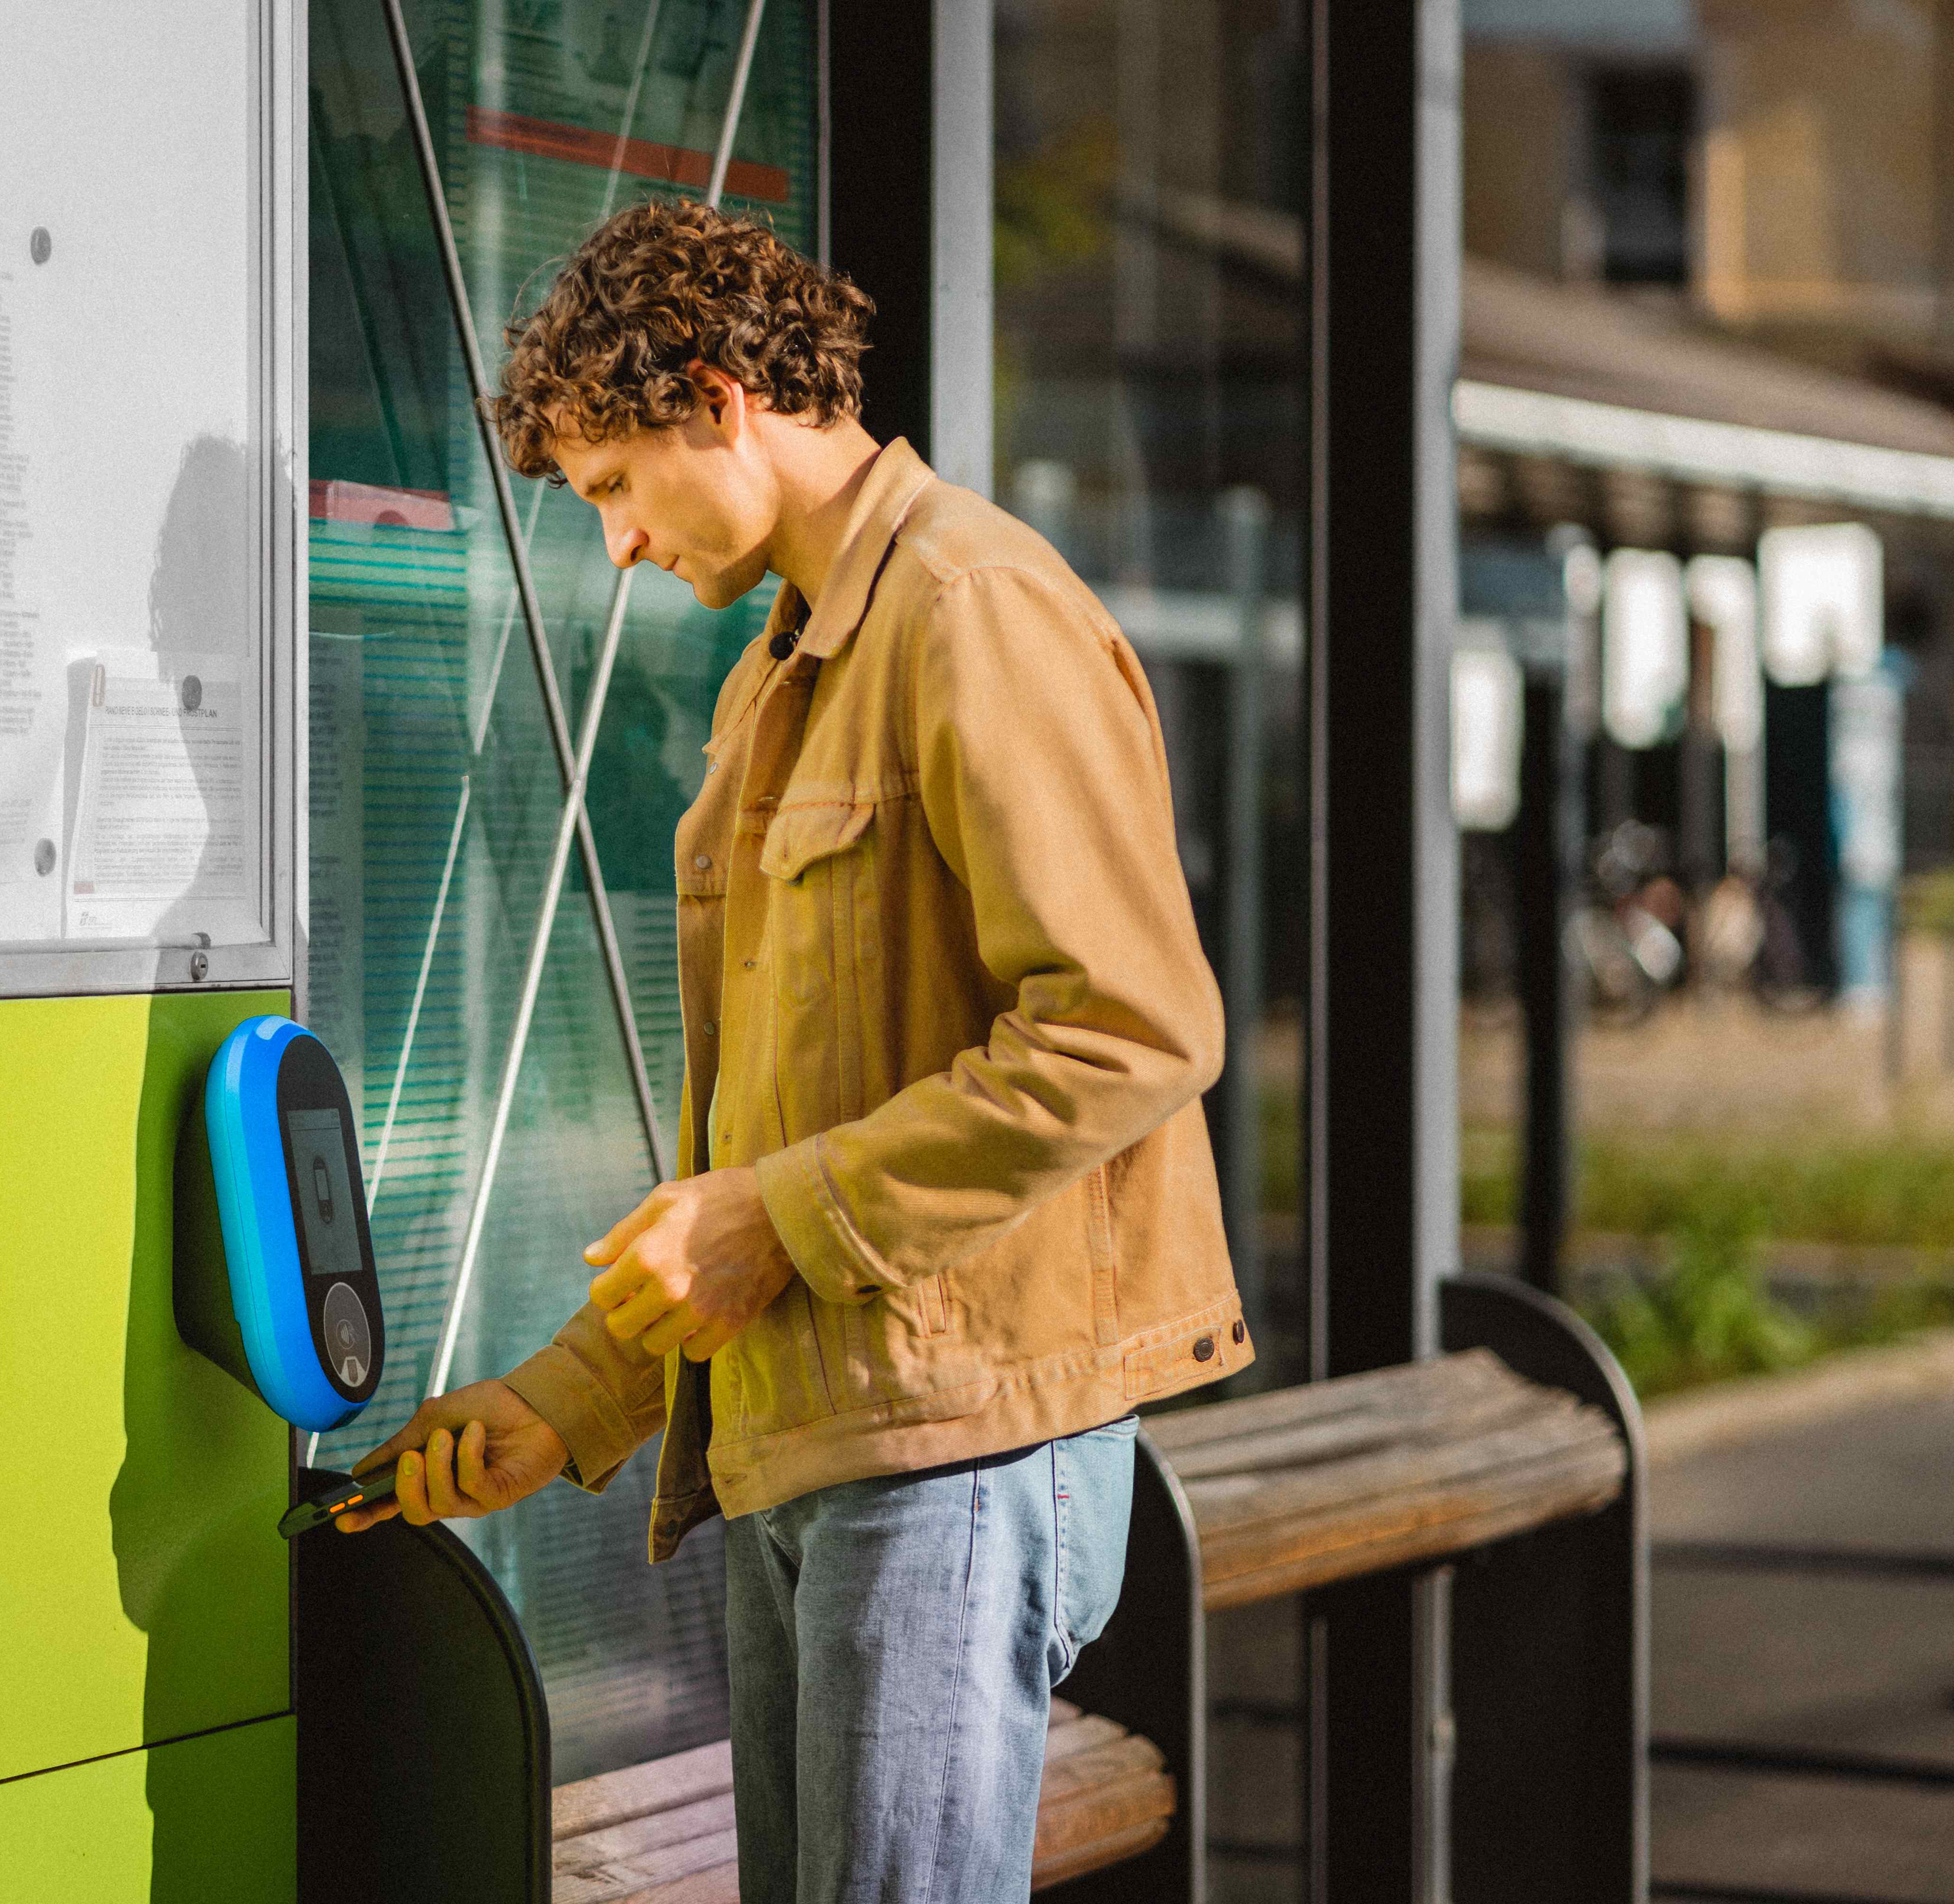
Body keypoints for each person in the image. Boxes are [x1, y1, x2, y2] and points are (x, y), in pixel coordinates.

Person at [337, 198, 1243, 1901]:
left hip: (954, 1455)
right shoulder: (784, 676)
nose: (613, 547)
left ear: (711, 396)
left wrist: (769, 1221)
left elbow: (1133, 1022)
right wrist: (570, 1400)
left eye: (613, 487)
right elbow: (765, 1145)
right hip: (823, 1446)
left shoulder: (974, 609)